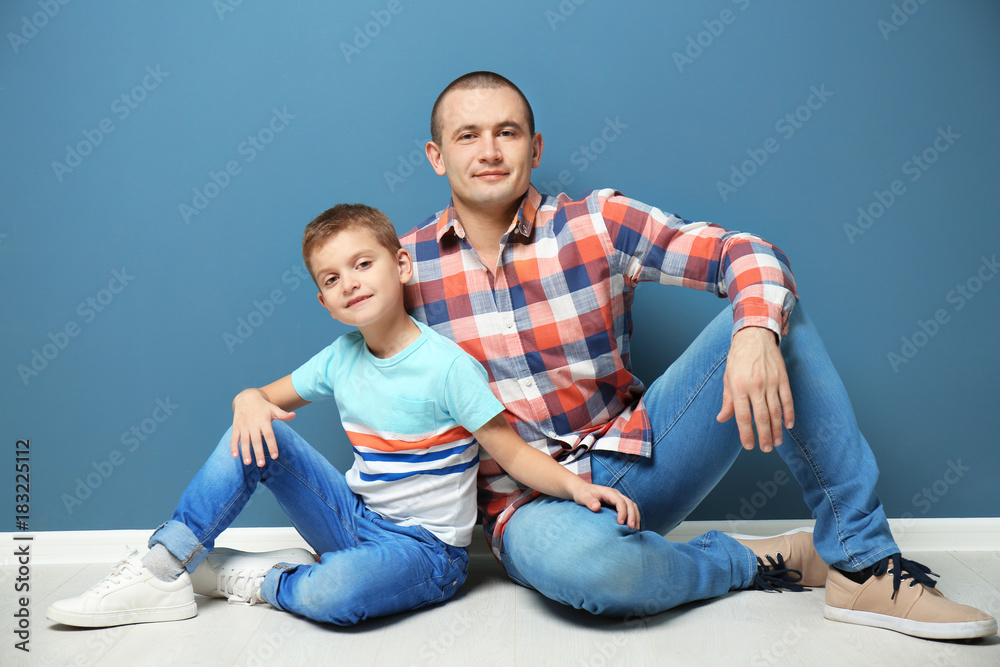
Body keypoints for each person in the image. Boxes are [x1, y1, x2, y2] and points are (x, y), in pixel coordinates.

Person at [397, 71, 997, 640]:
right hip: (530, 508)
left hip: (637, 459)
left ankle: (864, 566)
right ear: (436, 155)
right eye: (467, 135)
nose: (489, 151)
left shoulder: (596, 223)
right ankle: (753, 561)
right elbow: (366, 389)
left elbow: (746, 252)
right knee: (600, 572)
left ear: (535, 148)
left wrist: (756, 333)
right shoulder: (403, 269)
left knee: (771, 313)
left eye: (507, 132)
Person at [46, 203, 639, 628]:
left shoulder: (448, 367)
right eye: (333, 279)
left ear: (401, 266)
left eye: (362, 264)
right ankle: (163, 567)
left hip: (426, 551)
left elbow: (513, 453)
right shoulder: (340, 357)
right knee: (252, 428)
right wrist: (246, 399)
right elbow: (262, 397)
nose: (350, 284)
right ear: (325, 301)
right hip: (352, 519)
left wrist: (578, 488)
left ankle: (254, 577)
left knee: (336, 596)